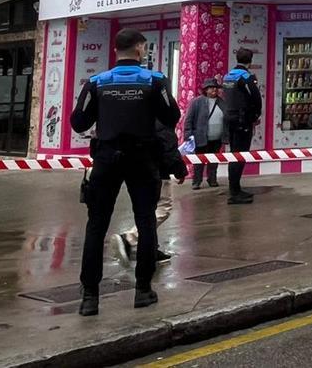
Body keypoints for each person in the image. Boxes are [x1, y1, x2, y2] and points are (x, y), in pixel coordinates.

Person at [70, 29, 180, 317]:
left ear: (116, 50)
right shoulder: (155, 81)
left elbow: (78, 122)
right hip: (143, 158)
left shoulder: (97, 82)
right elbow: (172, 117)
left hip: (106, 158)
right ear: (141, 49)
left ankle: (90, 298)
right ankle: (143, 290)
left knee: (96, 225)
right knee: (146, 222)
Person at [115, 121, 187, 264]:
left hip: (137, 168)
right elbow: (168, 146)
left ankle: (151, 248)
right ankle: (129, 238)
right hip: (158, 171)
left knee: (148, 208)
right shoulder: (162, 118)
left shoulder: (139, 112)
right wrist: (179, 169)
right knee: (163, 208)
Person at [221, 48, 263, 205]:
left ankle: (235, 189)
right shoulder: (246, 77)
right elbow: (255, 98)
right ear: (250, 61)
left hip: (229, 119)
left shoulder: (227, 76)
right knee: (240, 155)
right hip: (242, 120)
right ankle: (235, 192)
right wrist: (255, 115)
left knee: (233, 154)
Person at [184, 78, 225, 189]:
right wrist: (188, 136)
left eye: (216, 88)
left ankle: (212, 179)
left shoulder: (221, 102)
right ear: (205, 90)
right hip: (200, 137)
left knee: (214, 160)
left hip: (217, 138)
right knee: (199, 161)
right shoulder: (197, 102)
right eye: (211, 88)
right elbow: (188, 120)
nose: (214, 90)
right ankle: (196, 181)